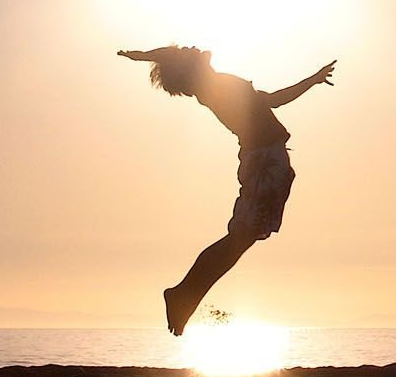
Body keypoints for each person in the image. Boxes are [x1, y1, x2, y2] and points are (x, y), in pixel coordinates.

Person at [118, 46, 337, 335]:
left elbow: (273, 100)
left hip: (269, 160)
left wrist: (313, 80)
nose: (193, 47)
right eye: (187, 51)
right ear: (188, 68)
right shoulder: (212, 87)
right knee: (239, 239)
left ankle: (186, 295)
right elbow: (173, 55)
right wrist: (146, 56)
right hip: (263, 161)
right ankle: (182, 295)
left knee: (241, 240)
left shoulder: (215, 83)